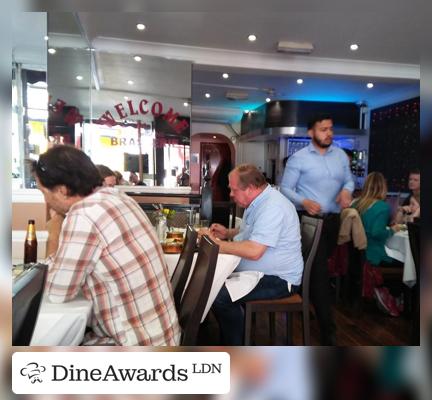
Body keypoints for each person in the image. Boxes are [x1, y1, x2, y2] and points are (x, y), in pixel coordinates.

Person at [32, 145, 180, 345]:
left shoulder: (84, 215)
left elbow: (57, 292)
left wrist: (54, 231)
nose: (46, 200)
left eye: (44, 191)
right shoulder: (119, 198)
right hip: (162, 337)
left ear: (62, 190)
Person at [206, 164, 303, 345]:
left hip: (279, 279)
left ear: (250, 189)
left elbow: (254, 250)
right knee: (210, 285)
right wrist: (227, 234)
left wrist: (215, 245)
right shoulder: (258, 202)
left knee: (219, 296)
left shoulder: (273, 206)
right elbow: (250, 233)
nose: (231, 195)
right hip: (259, 273)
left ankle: (235, 350)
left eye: (233, 190)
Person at [280, 113, 354, 345]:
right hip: (310, 221)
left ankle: (303, 298)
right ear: (311, 132)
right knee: (320, 273)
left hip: (334, 219)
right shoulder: (299, 159)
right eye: (323, 129)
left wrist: (346, 190)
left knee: (315, 271)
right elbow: (285, 188)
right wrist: (303, 201)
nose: (329, 133)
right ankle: (327, 331)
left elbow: (349, 180)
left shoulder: (340, 155)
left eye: (331, 128)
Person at [351, 172, 403, 317]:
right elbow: (377, 233)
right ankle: (390, 294)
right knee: (404, 264)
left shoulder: (356, 203)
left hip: (356, 252)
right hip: (372, 254)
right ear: (382, 187)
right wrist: (392, 230)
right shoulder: (381, 207)